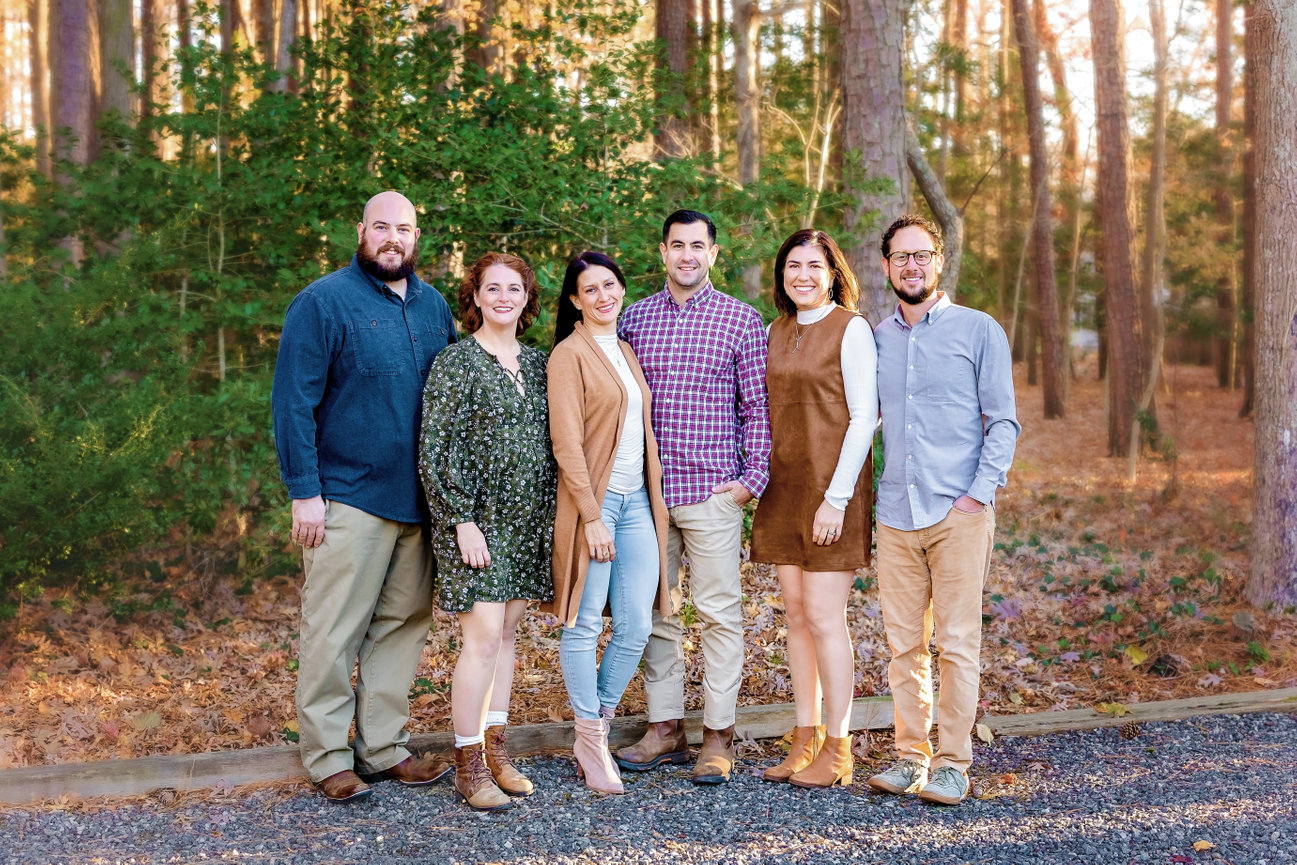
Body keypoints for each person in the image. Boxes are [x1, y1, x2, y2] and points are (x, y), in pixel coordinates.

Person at [271, 190, 458, 803]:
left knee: (402, 625)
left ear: (416, 236)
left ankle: (381, 748)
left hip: (419, 499)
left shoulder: (433, 308)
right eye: (381, 227)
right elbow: (292, 402)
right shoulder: (323, 302)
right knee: (332, 629)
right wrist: (305, 492)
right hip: (347, 496)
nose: (392, 238)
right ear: (361, 231)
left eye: (403, 228)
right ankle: (327, 757)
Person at [866, 214, 1020, 805]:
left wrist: (978, 492)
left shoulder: (978, 330)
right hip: (896, 510)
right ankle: (911, 757)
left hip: (958, 512)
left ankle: (954, 763)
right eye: (900, 256)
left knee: (957, 644)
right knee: (903, 645)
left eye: (921, 254)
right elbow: (861, 420)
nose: (911, 265)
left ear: (938, 260)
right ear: (886, 266)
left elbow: (1002, 420)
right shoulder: (875, 338)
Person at [613, 210, 771, 785]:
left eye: (697, 246)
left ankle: (719, 736)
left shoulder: (741, 321)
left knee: (720, 614)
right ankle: (666, 727)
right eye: (676, 245)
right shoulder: (634, 319)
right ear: (662, 253)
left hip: (712, 492)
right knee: (658, 614)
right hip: (649, 495)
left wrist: (750, 482)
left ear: (713, 252)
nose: (686, 255)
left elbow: (757, 408)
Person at [419, 252, 557, 812]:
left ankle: (497, 750)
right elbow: (434, 450)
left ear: (527, 298)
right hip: (478, 522)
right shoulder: (455, 363)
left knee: (505, 639)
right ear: (474, 297)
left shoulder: (542, 363)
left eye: (515, 288)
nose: (504, 296)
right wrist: (462, 520)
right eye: (492, 288)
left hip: (528, 520)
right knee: (479, 640)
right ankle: (468, 763)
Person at [749, 228, 878, 788]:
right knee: (796, 619)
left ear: (833, 274)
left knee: (826, 619)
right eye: (792, 265)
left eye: (814, 266)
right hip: (784, 488)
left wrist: (837, 498)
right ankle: (804, 738)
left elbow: (864, 417)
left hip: (833, 492)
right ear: (781, 276)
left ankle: (840, 747)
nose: (802, 275)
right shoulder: (774, 331)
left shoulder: (851, 330)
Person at [546, 251, 672, 795]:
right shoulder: (568, 355)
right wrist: (592, 516)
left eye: (610, 285)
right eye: (590, 289)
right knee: (584, 624)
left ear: (622, 289)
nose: (603, 296)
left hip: (638, 503)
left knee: (637, 624)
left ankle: (589, 729)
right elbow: (566, 443)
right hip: (594, 506)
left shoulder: (624, 349)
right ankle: (592, 740)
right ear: (575, 300)